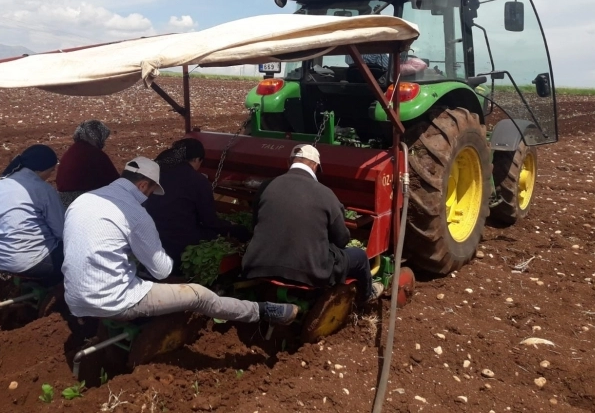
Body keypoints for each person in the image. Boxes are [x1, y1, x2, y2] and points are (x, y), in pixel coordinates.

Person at [62, 156, 298, 325]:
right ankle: (262, 311)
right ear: (143, 185)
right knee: (199, 295)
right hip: (114, 300)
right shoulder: (135, 213)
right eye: (151, 191)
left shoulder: (84, 200)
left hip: (74, 298)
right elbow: (162, 271)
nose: (149, 197)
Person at [242, 144, 381, 304]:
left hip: (258, 265)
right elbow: (341, 240)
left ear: (289, 163)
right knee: (360, 256)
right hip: (311, 272)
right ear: (315, 166)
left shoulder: (266, 187)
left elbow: (255, 226)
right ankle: (366, 297)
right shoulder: (326, 194)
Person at [145, 138, 251, 271]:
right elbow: (209, 222)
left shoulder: (158, 173)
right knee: (240, 232)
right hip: (178, 241)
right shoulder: (198, 180)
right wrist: (233, 227)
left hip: (150, 235)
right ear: (196, 159)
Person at [0, 144, 65, 287]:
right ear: (42, 169)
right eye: (51, 171)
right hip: (30, 262)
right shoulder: (43, 189)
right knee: (79, 252)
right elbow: (62, 232)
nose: (50, 175)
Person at [56, 119, 120, 209]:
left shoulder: (74, 149)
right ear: (97, 136)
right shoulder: (93, 153)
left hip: (63, 200)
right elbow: (114, 180)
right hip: (79, 200)